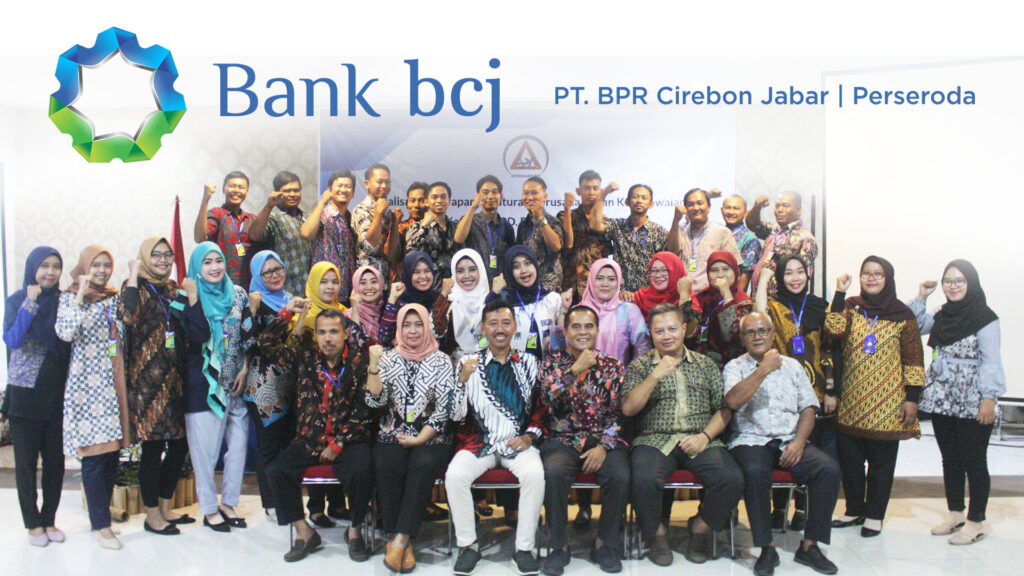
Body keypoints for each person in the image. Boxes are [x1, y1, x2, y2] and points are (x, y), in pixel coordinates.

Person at [624, 303, 743, 566]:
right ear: (651, 334)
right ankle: (656, 534)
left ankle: (701, 528)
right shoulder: (640, 366)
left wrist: (705, 437)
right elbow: (628, 408)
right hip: (654, 439)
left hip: (700, 437)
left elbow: (723, 410)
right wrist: (654, 376)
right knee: (642, 479)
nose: (666, 336)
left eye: (672, 329)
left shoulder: (705, 364)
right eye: (659, 331)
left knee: (732, 478)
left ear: (684, 329)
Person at [724, 312, 840, 576]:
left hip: (789, 438)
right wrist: (763, 369)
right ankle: (767, 547)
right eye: (750, 332)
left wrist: (799, 442)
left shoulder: (793, 366)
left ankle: (810, 546)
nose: (757, 337)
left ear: (772, 334)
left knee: (828, 469)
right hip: (750, 439)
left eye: (762, 331)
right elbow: (733, 401)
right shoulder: (735, 367)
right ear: (742, 338)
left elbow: (808, 408)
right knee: (754, 471)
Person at [824, 256, 924, 537]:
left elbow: (913, 359)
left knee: (881, 464)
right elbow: (832, 329)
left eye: (878, 274)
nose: (871, 278)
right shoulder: (851, 306)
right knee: (851, 462)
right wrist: (839, 292)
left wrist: (912, 398)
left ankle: (875, 515)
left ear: (887, 278)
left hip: (888, 404)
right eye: (866, 273)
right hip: (852, 400)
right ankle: (854, 509)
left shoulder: (903, 315)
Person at [265, 309, 374, 562]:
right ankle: (304, 533)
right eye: (322, 332)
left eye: (334, 332)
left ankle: (354, 531)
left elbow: (364, 412)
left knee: (363, 468)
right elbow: (266, 344)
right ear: (315, 335)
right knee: (277, 471)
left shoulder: (360, 363)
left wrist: (338, 444)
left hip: (348, 439)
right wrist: (288, 312)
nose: (328, 338)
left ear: (345, 334)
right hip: (310, 438)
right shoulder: (304, 358)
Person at [447, 299, 546, 576]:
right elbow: (455, 416)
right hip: (480, 443)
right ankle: (468, 546)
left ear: (514, 327)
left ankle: (523, 548)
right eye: (493, 323)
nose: (499, 329)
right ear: (483, 328)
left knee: (535, 474)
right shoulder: (468, 363)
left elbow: (542, 409)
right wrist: (461, 381)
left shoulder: (530, 362)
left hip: (518, 443)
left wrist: (529, 437)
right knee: (455, 475)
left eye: (505, 323)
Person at [911, 260, 1004, 545]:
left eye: (959, 280)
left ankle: (976, 521)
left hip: (972, 397)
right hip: (942, 396)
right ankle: (955, 514)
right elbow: (914, 325)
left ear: (971, 283)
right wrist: (922, 297)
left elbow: (991, 360)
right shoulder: (943, 313)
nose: (953, 286)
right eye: (948, 281)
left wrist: (988, 398)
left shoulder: (986, 318)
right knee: (950, 458)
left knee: (974, 460)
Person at [120, 237, 207, 535]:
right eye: (155, 255)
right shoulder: (135, 288)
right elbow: (127, 316)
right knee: (152, 449)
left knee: (180, 446)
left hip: (175, 382)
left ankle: (166, 507)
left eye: (167, 255)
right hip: (147, 385)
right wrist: (133, 274)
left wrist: (192, 295)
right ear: (145, 257)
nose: (162, 260)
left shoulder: (172, 289)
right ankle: (152, 515)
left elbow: (192, 330)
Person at [538, 305, 630, 575]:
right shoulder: (551, 363)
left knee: (621, 475)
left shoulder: (613, 365)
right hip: (562, 439)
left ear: (597, 331)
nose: (583, 332)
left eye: (589, 326)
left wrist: (603, 446)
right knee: (553, 472)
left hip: (602, 438)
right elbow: (546, 400)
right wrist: (574, 370)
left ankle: (604, 545)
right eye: (576, 327)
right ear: (565, 332)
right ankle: (559, 546)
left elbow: (619, 413)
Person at [366, 304, 456, 573]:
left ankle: (399, 540)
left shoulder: (441, 360)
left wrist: (419, 439)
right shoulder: (387, 359)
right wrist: (373, 367)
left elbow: (443, 411)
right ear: (399, 328)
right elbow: (375, 401)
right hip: (392, 432)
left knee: (422, 465)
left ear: (427, 327)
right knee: (387, 465)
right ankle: (401, 543)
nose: (413, 330)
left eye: (419, 324)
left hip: (432, 436)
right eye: (407, 325)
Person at [56, 246, 133, 549]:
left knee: (112, 454)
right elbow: (64, 333)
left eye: (106, 265)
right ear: (84, 267)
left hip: (113, 383)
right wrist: (80, 294)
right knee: (94, 456)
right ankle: (101, 525)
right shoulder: (69, 298)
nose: (102, 271)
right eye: (96, 265)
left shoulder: (111, 298)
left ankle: (102, 518)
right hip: (87, 387)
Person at [755, 254, 836, 530]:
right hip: (784, 390)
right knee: (785, 448)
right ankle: (779, 508)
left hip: (816, 390)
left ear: (807, 274)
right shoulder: (775, 306)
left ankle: (802, 509)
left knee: (810, 450)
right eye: (788, 273)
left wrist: (830, 389)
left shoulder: (820, 307)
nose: (795, 278)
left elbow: (829, 349)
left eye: (799, 271)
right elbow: (759, 316)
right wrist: (764, 280)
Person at [3, 247, 71, 547]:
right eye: (44, 266)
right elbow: (13, 339)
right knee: (26, 464)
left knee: (55, 463)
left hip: (57, 394)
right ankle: (33, 523)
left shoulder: (63, 301)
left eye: (56, 266)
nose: (50, 272)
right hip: (25, 396)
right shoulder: (17, 300)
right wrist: (29, 304)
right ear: (33, 268)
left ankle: (49, 519)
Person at [182, 242, 252, 533]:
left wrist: (245, 368)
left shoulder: (238, 294)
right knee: (206, 453)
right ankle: (210, 509)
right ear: (197, 267)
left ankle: (229, 503)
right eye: (207, 262)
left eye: (218, 260)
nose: (214, 267)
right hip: (204, 386)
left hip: (235, 382)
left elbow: (247, 333)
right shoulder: (185, 298)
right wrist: (193, 296)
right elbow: (198, 334)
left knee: (238, 447)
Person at [240, 251, 296, 518]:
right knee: (268, 445)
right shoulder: (255, 301)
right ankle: (271, 504)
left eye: (278, 269)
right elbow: (250, 342)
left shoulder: (290, 298)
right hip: (264, 385)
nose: (274, 275)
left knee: (286, 443)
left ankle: (285, 499)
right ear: (257, 275)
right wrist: (252, 311)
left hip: (289, 381)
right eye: (267, 272)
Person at [492, 246, 570, 360]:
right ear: (510, 272)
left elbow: (561, 344)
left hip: (546, 368)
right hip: (514, 367)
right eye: (516, 266)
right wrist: (493, 294)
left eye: (528, 263)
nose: (524, 270)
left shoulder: (552, 299)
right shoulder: (503, 301)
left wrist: (563, 311)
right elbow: (478, 329)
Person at [579, 258, 651, 367]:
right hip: (582, 376)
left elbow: (643, 349)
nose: (605, 284)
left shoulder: (629, 311)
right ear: (591, 280)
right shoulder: (578, 312)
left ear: (618, 283)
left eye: (611, 279)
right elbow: (562, 347)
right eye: (599, 278)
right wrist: (562, 312)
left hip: (622, 376)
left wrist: (632, 375)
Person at [249, 171, 311, 297]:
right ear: (277, 193)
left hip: (306, 291)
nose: (292, 194)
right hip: (283, 293)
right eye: (287, 191)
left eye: (296, 190)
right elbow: (254, 237)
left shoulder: (304, 217)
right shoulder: (273, 216)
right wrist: (268, 206)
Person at [666, 188, 741, 292]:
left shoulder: (723, 232)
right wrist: (675, 221)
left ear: (709, 207)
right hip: (683, 293)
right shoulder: (679, 230)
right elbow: (671, 252)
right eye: (691, 204)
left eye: (700, 203)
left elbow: (734, 268)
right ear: (685, 208)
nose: (696, 208)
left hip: (711, 295)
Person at [300, 169, 357, 302]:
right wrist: (322, 203)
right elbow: (306, 233)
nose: (344, 190)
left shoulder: (350, 219)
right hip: (324, 290)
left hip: (346, 292)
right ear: (330, 190)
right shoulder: (322, 214)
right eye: (339, 186)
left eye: (348, 186)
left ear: (353, 193)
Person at [746, 192, 818, 297]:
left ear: (798, 210)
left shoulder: (804, 239)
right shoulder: (775, 231)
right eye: (777, 206)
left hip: (781, 303)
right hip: (759, 299)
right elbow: (753, 225)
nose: (780, 210)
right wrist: (757, 207)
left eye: (785, 206)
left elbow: (801, 278)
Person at [559, 170, 616, 299]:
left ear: (600, 191)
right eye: (587, 188)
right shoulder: (566, 215)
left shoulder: (605, 222)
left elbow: (606, 254)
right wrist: (567, 208)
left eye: (595, 188)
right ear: (579, 191)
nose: (591, 192)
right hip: (571, 283)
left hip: (597, 284)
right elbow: (568, 244)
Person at [692, 251, 754, 368]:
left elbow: (733, 339)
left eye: (726, 269)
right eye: (714, 270)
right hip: (701, 362)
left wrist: (726, 295)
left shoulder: (744, 302)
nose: (720, 275)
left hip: (732, 364)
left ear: (735, 271)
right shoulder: (702, 297)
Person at [194, 171, 255, 286]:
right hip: (220, 284)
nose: (236, 190)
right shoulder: (217, 213)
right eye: (232, 186)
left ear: (247, 192)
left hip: (248, 284)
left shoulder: (251, 219)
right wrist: (205, 200)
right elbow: (200, 238)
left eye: (241, 187)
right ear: (224, 189)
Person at [453, 175, 516, 283]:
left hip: (501, 285)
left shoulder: (506, 226)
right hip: (474, 283)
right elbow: (459, 238)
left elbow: (511, 256)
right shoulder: (470, 220)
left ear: (501, 196)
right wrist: (473, 207)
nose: (490, 196)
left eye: (494, 192)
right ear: (478, 196)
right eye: (485, 192)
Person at [607, 184, 669, 293]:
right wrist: (603, 195)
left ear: (651, 204)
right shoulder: (617, 226)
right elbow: (595, 226)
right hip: (621, 294)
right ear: (627, 201)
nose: (639, 201)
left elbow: (670, 258)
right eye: (635, 197)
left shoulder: (659, 231)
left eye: (644, 198)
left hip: (650, 294)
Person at [434, 248, 490, 361]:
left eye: (472, 269)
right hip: (454, 364)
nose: (466, 275)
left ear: (480, 270)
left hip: (487, 364)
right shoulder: (449, 302)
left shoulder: (491, 302)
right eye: (460, 271)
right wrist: (444, 294)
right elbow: (437, 331)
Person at [378, 252, 444, 346]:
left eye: (427, 270)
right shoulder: (399, 301)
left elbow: (442, 334)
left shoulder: (438, 299)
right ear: (408, 274)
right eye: (416, 272)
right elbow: (384, 337)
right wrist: (392, 300)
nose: (423, 276)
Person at [352, 163, 402, 282]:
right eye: (379, 182)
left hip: (385, 280)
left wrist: (395, 225)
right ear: (367, 184)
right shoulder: (361, 210)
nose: (384, 186)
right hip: (366, 281)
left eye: (387, 182)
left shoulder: (388, 213)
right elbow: (370, 247)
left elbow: (392, 256)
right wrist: (378, 213)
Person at [517, 176, 565, 293]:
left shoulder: (553, 222)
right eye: (526, 193)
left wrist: (540, 220)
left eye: (534, 193)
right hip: (527, 286)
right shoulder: (523, 225)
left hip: (549, 290)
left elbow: (556, 247)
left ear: (545, 196)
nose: (529, 197)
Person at [407, 181, 459, 285]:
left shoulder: (456, 227)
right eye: (434, 197)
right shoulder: (417, 227)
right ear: (426, 202)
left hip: (455, 286)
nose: (439, 201)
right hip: (427, 286)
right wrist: (424, 226)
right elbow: (410, 254)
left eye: (443, 197)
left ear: (449, 201)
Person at [627, 251, 696, 326]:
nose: (658, 275)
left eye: (664, 270)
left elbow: (691, 330)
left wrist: (684, 298)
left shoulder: (688, 298)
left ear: (676, 271)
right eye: (653, 271)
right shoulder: (640, 298)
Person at [721, 194, 761, 292]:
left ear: (745, 212)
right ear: (722, 210)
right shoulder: (716, 232)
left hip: (732, 294)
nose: (731, 212)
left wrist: (734, 299)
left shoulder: (750, 239)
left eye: (736, 208)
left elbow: (745, 275)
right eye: (728, 208)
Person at [346, 265, 386, 341]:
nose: (369, 287)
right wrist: (355, 311)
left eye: (374, 282)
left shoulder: (388, 312)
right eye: (363, 283)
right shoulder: (347, 316)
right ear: (355, 287)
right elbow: (354, 343)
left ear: (381, 285)